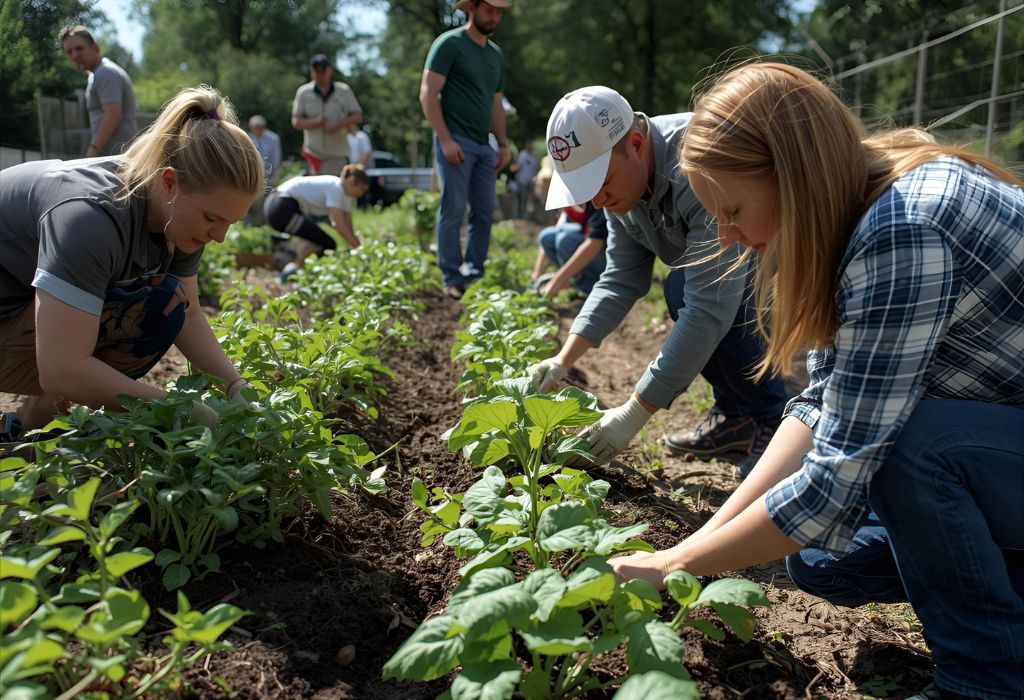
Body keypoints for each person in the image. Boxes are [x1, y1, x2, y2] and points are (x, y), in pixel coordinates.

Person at [609, 62, 1024, 700]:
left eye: (733, 210)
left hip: (991, 444)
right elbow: (816, 406)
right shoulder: (857, 207)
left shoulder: (901, 231)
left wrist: (673, 564)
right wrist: (697, 542)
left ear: (791, 174)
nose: (728, 236)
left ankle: (984, 680)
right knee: (822, 560)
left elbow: (832, 485)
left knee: (906, 452)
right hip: (1001, 442)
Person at [528, 86, 788, 472]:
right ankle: (737, 417)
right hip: (738, 279)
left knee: (692, 292)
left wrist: (634, 412)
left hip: (782, 267)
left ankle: (774, 416)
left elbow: (709, 307)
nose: (597, 201)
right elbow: (620, 280)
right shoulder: (621, 192)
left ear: (636, 144)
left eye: (601, 182)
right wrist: (563, 359)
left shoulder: (699, 164)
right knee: (680, 290)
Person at [0, 86, 265, 443]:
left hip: (20, 314)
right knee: (143, 311)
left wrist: (236, 387)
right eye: (212, 218)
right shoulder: (90, 217)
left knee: (164, 305)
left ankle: (33, 421)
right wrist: (173, 410)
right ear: (169, 182)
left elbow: (187, 313)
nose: (220, 236)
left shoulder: (178, 216)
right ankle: (37, 422)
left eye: (230, 223)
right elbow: (61, 369)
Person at [419, 0, 512, 300]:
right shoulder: (450, 44)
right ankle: (451, 276)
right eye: (489, 10)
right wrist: (445, 140)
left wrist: (503, 143)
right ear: (471, 8)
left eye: (499, 12)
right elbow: (428, 93)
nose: (495, 17)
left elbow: (496, 103)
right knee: (454, 209)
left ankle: (475, 274)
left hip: (485, 145)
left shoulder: (495, 55)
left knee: (484, 212)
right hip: (456, 140)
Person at [263, 164, 370, 280]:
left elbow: (348, 225)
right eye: (361, 189)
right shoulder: (337, 187)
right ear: (351, 181)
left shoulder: (347, 196)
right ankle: (292, 271)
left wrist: (356, 243)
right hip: (281, 207)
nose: (361, 194)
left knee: (317, 240)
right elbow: (338, 225)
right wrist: (359, 248)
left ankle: (294, 265)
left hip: (279, 204)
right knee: (327, 244)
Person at [60, 25, 139, 158]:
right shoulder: (96, 74)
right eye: (69, 51)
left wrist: (93, 149)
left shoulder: (105, 72)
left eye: (79, 48)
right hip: (116, 156)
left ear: (95, 47)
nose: (74, 55)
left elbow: (113, 114)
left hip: (118, 157)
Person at [291, 54, 364, 176]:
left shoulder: (343, 90)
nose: (320, 74)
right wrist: (317, 121)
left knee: (336, 187)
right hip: (313, 155)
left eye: (323, 70)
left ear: (330, 70)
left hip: (337, 156)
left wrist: (337, 124)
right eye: (317, 70)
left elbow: (358, 116)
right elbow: (296, 122)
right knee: (314, 188)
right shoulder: (303, 92)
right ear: (312, 72)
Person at [529, 202, 607, 297]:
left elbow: (596, 242)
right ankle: (580, 283)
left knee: (565, 240)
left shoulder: (597, 202)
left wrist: (558, 279)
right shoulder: (569, 206)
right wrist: (537, 272)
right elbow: (557, 229)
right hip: (589, 245)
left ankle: (591, 288)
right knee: (546, 237)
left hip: (608, 257)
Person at [248, 114, 282, 186]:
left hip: (269, 177)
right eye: (255, 127)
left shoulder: (273, 139)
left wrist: (274, 178)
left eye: (260, 127)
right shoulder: (248, 138)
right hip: (253, 177)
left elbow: (276, 159)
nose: (257, 129)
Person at [513, 141, 539, 218]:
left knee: (530, 198)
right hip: (522, 180)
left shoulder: (534, 156)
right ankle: (521, 213)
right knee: (522, 197)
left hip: (531, 180)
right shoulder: (522, 155)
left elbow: (537, 167)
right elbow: (518, 166)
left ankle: (529, 213)